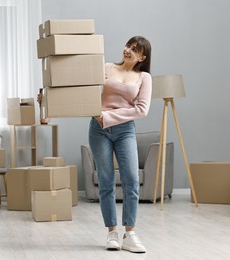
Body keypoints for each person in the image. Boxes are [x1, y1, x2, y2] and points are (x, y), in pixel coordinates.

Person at [89, 36, 152, 253]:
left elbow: (142, 110)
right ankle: (112, 233)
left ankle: (130, 233)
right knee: (106, 180)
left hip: (125, 130)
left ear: (142, 57)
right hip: (98, 129)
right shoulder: (106, 68)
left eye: (135, 50)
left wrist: (108, 116)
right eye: (128, 46)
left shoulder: (144, 77)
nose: (128, 50)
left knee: (131, 180)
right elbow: (86, 92)